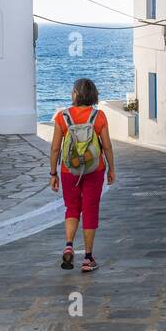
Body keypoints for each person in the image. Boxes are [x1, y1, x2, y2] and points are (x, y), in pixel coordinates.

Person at [49, 78, 115, 273]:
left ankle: (69, 244)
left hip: (69, 170)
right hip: (94, 169)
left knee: (72, 208)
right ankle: (87, 258)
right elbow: (108, 146)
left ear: (76, 95)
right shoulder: (99, 116)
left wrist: (53, 173)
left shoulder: (63, 117)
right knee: (90, 209)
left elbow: (54, 149)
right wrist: (112, 169)